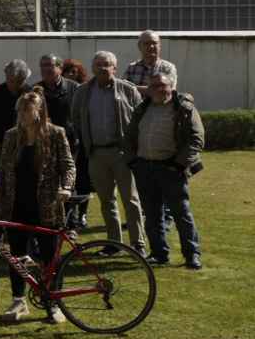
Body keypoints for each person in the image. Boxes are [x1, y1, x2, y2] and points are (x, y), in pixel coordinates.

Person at [0, 91, 75, 324]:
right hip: (17, 204)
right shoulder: (11, 136)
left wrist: (66, 187)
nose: (21, 115)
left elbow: (68, 165)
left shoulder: (56, 134)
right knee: (16, 254)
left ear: (39, 112)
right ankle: (19, 300)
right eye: (19, 110)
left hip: (46, 205)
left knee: (50, 256)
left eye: (26, 110)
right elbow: (1, 169)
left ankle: (53, 303)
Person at [69, 51, 147, 257]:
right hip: (96, 154)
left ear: (115, 67)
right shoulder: (83, 92)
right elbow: (76, 118)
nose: (103, 68)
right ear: (93, 67)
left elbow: (141, 120)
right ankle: (114, 243)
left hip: (122, 153)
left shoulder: (128, 90)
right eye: (99, 64)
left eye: (107, 64)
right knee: (107, 201)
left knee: (131, 200)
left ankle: (137, 244)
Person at [125, 71, 205, 269]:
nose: (159, 89)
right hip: (144, 168)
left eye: (163, 85)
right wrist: (133, 161)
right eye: (154, 86)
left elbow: (196, 139)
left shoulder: (184, 109)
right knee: (152, 215)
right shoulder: (142, 108)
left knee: (181, 213)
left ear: (171, 87)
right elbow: (130, 136)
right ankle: (159, 253)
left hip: (171, 169)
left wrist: (179, 164)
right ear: (149, 90)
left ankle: (192, 254)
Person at [36, 54, 86, 229]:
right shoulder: (35, 90)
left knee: (69, 182)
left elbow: (83, 115)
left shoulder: (75, 88)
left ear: (59, 68)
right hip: (44, 144)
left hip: (70, 144)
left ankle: (72, 224)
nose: (46, 69)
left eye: (50, 65)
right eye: (43, 66)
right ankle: (50, 221)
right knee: (47, 183)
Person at [0, 59, 30, 194]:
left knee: (25, 191)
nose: (13, 85)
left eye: (19, 81)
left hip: (27, 151)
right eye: (10, 80)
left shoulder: (32, 95)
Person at [124, 30, 176, 100]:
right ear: (139, 46)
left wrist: (134, 88)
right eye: (147, 43)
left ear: (160, 45)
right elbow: (123, 89)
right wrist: (150, 90)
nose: (151, 46)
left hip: (158, 110)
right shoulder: (132, 68)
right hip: (136, 110)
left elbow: (169, 92)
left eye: (154, 43)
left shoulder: (168, 68)